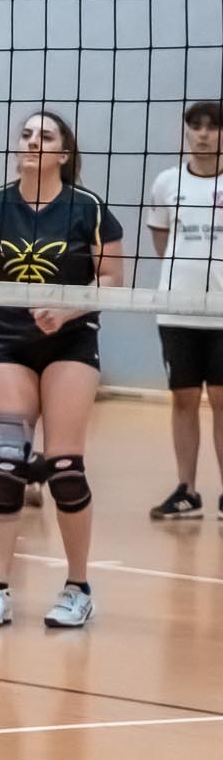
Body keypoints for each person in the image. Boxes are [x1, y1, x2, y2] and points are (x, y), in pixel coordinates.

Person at [0, 109, 124, 631]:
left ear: (64, 154)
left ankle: (78, 588)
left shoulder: (89, 209)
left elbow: (113, 281)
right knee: (6, 465)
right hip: (8, 343)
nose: (31, 141)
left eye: (44, 136)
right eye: (26, 134)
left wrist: (66, 311)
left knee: (65, 467)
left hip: (71, 342)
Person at [144, 100, 223, 520]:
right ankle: (187, 491)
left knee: (222, 398)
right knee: (184, 398)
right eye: (196, 126)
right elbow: (162, 241)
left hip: (222, 312)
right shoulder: (167, 182)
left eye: (213, 126)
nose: (204, 134)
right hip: (177, 310)